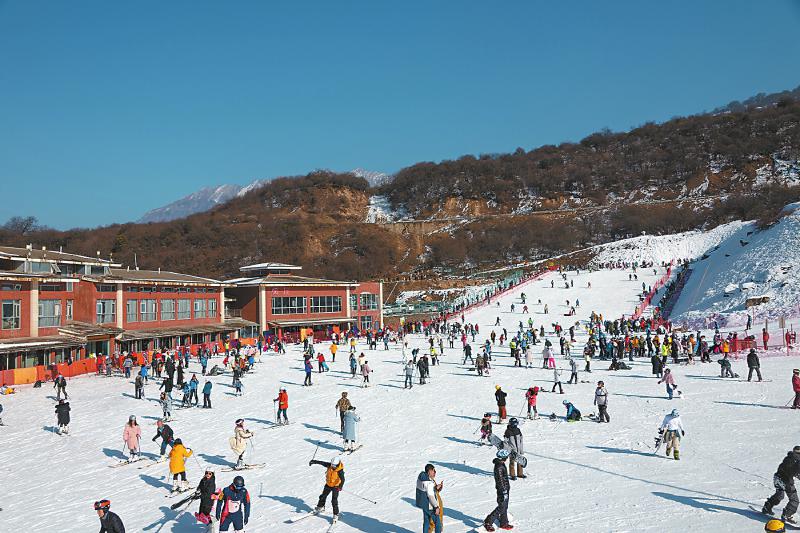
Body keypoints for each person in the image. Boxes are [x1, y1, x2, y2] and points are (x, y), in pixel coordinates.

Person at [763, 446, 800, 524]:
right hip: (785, 480)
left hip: (777, 478)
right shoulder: (796, 460)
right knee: (794, 500)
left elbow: (789, 469)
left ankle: (767, 506)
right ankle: (787, 515)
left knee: (780, 495)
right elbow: (794, 471)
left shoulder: (789, 458)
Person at [484, 449, 513, 531]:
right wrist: (504, 490)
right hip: (502, 489)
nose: (507, 459)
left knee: (505, 506)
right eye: (506, 457)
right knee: (501, 507)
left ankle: (504, 523)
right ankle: (488, 521)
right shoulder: (499, 466)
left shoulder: (501, 464)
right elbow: (500, 480)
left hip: (505, 488)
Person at [310, 456, 344, 521]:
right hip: (328, 485)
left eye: (334, 465)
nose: (333, 466)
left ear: (338, 464)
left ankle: (336, 514)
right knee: (323, 496)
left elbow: (343, 479)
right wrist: (314, 461)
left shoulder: (340, 471)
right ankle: (320, 507)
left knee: (334, 500)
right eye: (332, 465)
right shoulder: (329, 465)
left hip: (335, 487)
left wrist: (340, 486)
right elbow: (322, 463)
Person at [416, 463, 443, 533]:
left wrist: (435, 488)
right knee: (437, 523)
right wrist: (436, 507)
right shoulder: (429, 483)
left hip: (424, 505)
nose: (435, 472)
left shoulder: (420, 479)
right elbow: (430, 496)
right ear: (429, 471)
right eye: (433, 470)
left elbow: (425, 490)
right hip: (430, 506)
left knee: (426, 522)